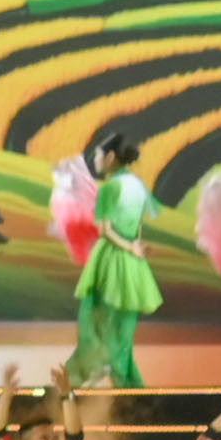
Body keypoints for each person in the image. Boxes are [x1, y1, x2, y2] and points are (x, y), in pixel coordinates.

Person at [67, 134, 164, 388]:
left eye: (99, 155)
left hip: (110, 261)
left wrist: (130, 247)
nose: (95, 160)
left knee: (94, 324)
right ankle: (129, 387)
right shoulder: (137, 186)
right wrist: (134, 247)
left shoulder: (110, 188)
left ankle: (79, 380)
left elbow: (105, 230)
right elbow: (137, 226)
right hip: (132, 263)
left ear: (111, 157)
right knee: (122, 332)